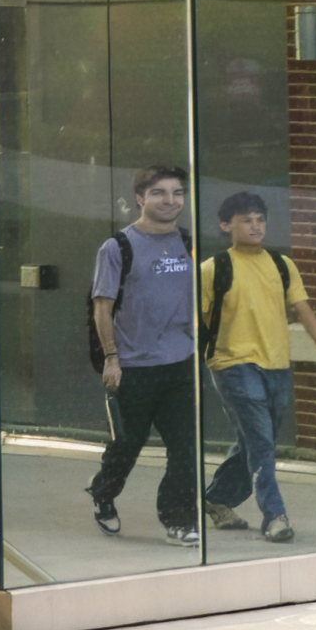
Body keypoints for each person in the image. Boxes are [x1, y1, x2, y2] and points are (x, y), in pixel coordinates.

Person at [83, 167, 203, 537]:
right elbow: (102, 307)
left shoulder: (189, 241)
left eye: (177, 192)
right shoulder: (118, 247)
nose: (170, 201)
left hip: (180, 363)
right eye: (159, 193)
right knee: (128, 444)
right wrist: (112, 358)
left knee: (185, 448)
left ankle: (179, 519)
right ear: (140, 198)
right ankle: (103, 492)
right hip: (134, 367)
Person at [201, 188, 313, 546]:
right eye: (246, 220)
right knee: (262, 443)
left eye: (260, 219)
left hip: (276, 363)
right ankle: (275, 516)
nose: (255, 226)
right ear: (225, 225)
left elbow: (301, 305)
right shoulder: (213, 268)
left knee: (255, 440)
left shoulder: (281, 264)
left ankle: (217, 500)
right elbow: (197, 319)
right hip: (232, 363)